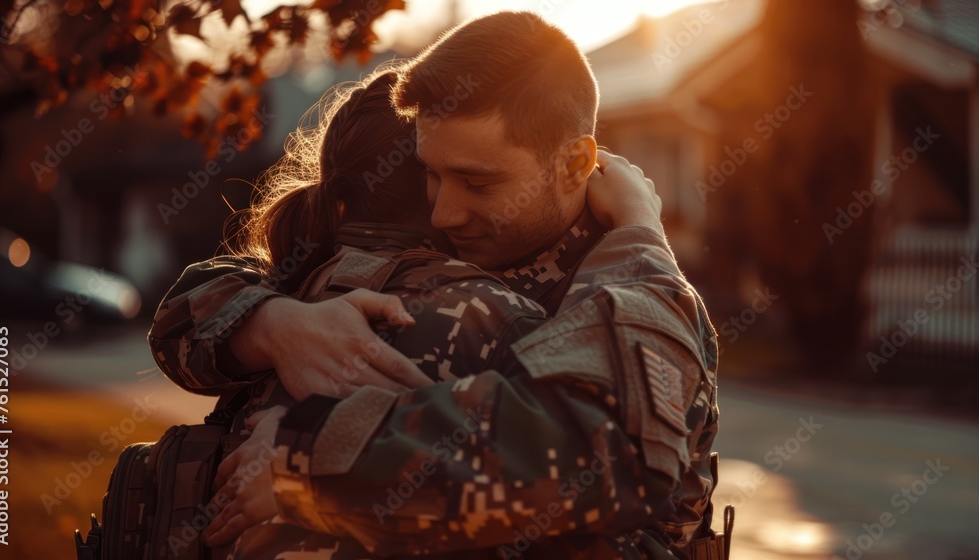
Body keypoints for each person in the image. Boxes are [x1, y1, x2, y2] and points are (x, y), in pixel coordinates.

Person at [149, 11, 723, 560]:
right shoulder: (426, 255)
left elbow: (610, 462)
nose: (445, 212)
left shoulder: (641, 300)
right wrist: (272, 325)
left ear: (575, 165)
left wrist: (309, 453)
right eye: (431, 173)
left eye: (477, 182)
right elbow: (185, 315)